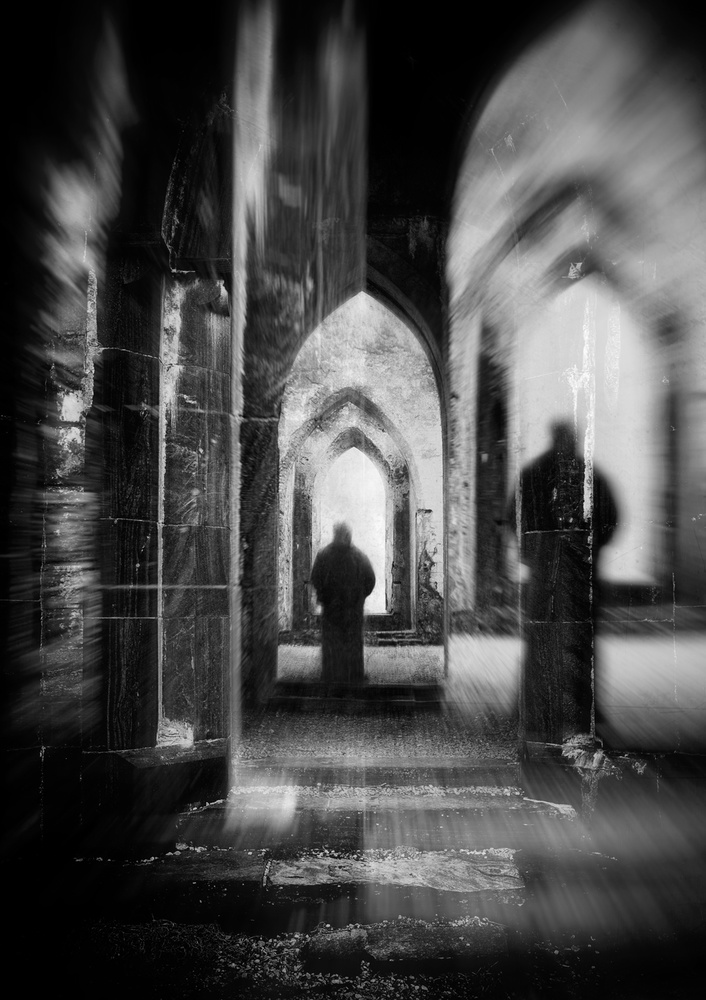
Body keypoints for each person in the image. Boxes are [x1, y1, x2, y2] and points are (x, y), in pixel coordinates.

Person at [508, 420, 618, 743]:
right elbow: (611, 518)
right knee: (577, 643)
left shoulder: (533, 474)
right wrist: (591, 550)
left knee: (543, 641)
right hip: (574, 574)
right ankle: (578, 711)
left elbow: (513, 518)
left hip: (547, 573)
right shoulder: (588, 473)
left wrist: (531, 554)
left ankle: (538, 710)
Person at [310, 522, 376, 685]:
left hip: (335, 607)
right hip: (350, 608)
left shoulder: (324, 555)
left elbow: (315, 578)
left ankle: (331, 675)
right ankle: (353, 676)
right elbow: (370, 580)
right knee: (350, 642)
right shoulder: (359, 556)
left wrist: (325, 596)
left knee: (334, 641)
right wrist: (359, 597)